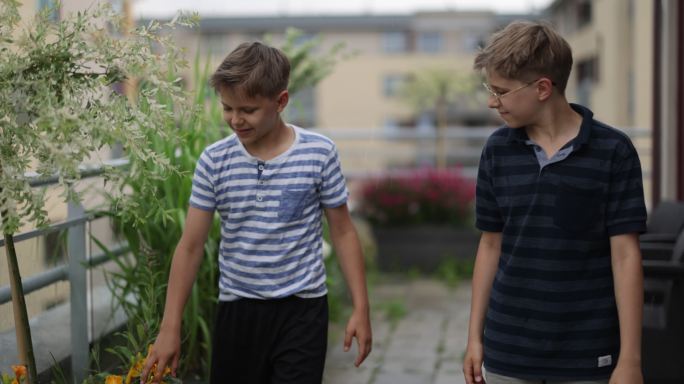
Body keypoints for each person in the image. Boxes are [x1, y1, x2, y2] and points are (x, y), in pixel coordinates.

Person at [140, 41, 372, 384]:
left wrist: (361, 307)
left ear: (280, 102)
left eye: (248, 110)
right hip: (238, 310)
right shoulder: (215, 161)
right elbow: (190, 246)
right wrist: (170, 327)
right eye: (227, 108)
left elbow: (342, 230)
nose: (236, 119)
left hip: (303, 310)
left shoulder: (319, 153)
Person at [463, 20, 646, 384]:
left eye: (500, 90)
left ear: (543, 88)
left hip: (588, 354)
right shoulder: (497, 151)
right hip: (507, 352)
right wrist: (474, 339)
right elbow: (490, 244)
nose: (491, 101)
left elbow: (625, 257)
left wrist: (630, 360)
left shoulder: (614, 151)